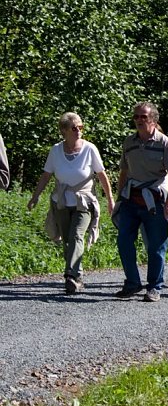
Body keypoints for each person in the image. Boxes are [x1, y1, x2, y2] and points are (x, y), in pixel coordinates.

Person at [27, 113, 114, 294]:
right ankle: (78, 276)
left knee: (76, 235)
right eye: (74, 128)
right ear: (64, 131)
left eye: (81, 127)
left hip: (84, 201)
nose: (79, 131)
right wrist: (35, 197)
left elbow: (101, 175)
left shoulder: (90, 149)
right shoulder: (56, 151)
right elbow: (46, 175)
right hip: (61, 202)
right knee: (68, 240)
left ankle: (70, 276)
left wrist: (110, 200)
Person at [114, 102, 168, 302]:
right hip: (131, 199)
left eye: (143, 117)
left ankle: (154, 287)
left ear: (153, 119)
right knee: (124, 240)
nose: (139, 120)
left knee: (156, 245)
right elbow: (124, 171)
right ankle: (132, 283)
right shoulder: (129, 142)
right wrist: (119, 197)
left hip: (156, 200)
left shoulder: (163, 142)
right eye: (136, 117)